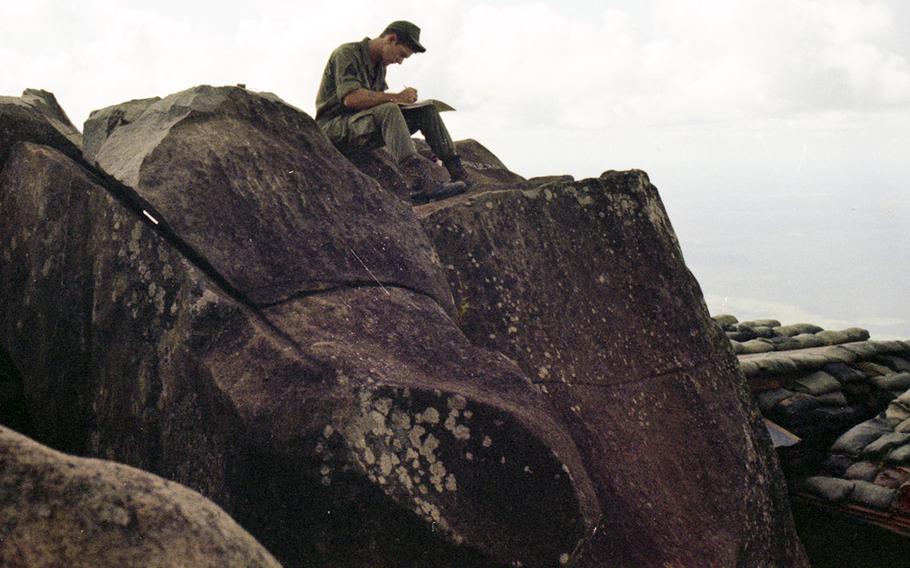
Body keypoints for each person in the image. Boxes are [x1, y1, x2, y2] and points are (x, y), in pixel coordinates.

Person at [315, 20, 469, 204]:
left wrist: (405, 104)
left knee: (426, 110)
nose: (400, 61)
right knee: (389, 108)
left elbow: (373, 105)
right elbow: (351, 98)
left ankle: (459, 173)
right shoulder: (347, 53)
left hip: (359, 127)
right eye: (401, 54)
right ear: (390, 39)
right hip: (332, 129)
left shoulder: (379, 68)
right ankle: (420, 184)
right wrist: (397, 97)